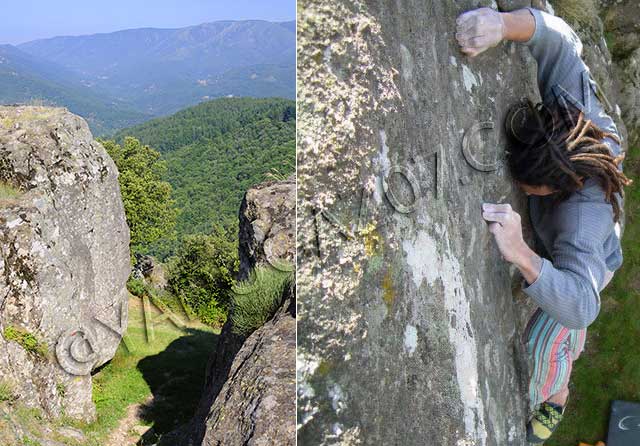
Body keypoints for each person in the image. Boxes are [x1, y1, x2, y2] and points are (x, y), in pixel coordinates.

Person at [455, 6, 633, 445]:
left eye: (527, 185)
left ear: (559, 188)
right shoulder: (572, 115)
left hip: (593, 262)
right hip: (587, 239)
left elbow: (581, 305)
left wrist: (522, 254)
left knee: (544, 339)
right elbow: (559, 39)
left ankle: (556, 393)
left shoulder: (580, 218)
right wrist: (502, 26)